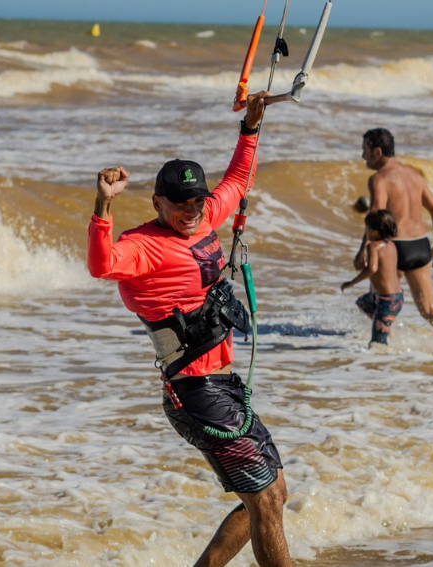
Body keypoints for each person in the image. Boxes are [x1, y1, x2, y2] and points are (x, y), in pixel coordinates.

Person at [87, 91, 291, 567]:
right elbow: (102, 266)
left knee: (272, 492)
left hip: (221, 384)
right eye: (179, 202)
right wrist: (103, 205)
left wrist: (251, 129)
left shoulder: (205, 219)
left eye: (197, 199)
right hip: (193, 390)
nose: (192, 209)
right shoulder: (142, 247)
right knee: (264, 500)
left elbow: (239, 180)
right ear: (157, 201)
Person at [356, 128, 433, 331]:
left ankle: (384, 351)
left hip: (394, 249)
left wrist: (363, 250)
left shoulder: (379, 179)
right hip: (420, 247)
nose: (363, 155)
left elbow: (376, 215)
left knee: (377, 305)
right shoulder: (414, 175)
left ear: (377, 152)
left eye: (365, 150)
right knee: (428, 309)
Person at [342, 209, 404, 346]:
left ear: (375, 232)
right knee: (364, 303)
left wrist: (352, 282)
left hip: (387, 301)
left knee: (377, 345)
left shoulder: (373, 247)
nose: (366, 232)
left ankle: (384, 362)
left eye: (367, 229)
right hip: (397, 297)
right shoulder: (391, 245)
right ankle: (388, 331)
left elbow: (372, 269)